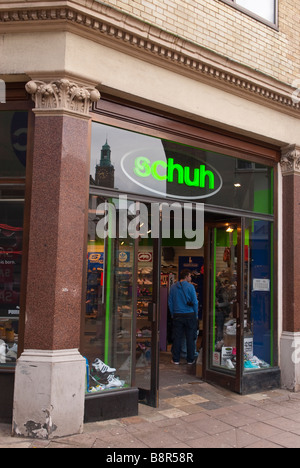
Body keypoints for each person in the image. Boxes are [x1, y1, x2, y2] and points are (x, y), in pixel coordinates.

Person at [168, 269, 198, 365]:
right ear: (186, 276)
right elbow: (195, 302)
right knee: (190, 338)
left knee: (177, 338)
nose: (190, 278)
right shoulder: (190, 287)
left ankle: (176, 359)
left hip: (177, 315)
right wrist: (196, 314)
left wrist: (173, 313)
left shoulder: (173, 287)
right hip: (189, 315)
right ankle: (190, 359)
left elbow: (170, 302)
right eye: (190, 276)